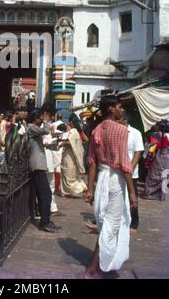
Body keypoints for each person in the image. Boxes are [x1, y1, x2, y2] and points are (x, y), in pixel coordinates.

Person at [84, 95, 137, 279]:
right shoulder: (121, 131)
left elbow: (92, 162)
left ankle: (102, 263)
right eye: (118, 107)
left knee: (105, 223)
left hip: (101, 179)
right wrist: (132, 192)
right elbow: (125, 165)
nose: (121, 110)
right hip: (115, 180)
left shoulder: (96, 130)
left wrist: (90, 189)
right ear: (110, 109)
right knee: (110, 226)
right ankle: (92, 268)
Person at [25, 109, 61, 233]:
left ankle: (45, 220)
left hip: (39, 165)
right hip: (36, 166)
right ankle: (44, 222)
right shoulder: (31, 127)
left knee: (43, 194)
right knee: (46, 194)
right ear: (35, 118)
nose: (42, 120)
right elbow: (46, 130)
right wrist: (46, 120)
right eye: (40, 118)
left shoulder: (33, 129)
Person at [59, 121, 87, 197]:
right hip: (72, 155)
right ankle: (67, 192)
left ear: (71, 123)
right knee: (70, 174)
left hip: (69, 155)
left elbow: (68, 142)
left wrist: (59, 145)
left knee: (68, 174)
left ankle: (80, 188)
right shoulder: (77, 132)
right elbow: (86, 140)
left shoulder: (72, 132)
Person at [143, 120, 169, 201]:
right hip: (166, 158)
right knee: (164, 176)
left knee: (153, 174)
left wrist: (147, 160)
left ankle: (150, 194)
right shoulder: (167, 135)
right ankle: (161, 196)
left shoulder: (156, 135)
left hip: (157, 157)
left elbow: (151, 148)